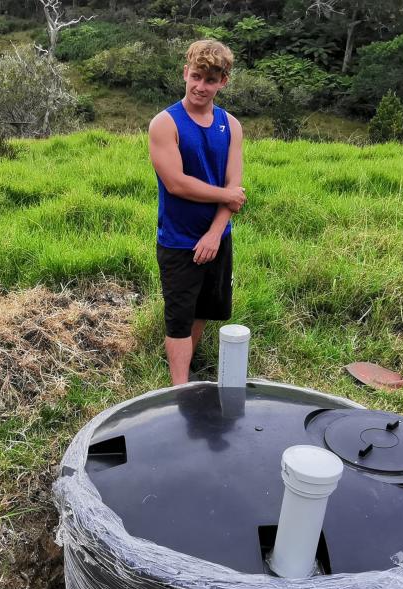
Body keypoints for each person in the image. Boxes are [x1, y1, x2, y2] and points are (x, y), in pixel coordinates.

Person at [148, 39, 245, 385]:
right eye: (196, 77)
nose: (200, 87)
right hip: (178, 239)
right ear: (185, 72)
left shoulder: (231, 125)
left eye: (210, 80)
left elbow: (235, 187)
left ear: (223, 82)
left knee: (204, 308)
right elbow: (176, 183)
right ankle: (179, 390)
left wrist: (216, 232)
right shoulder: (165, 123)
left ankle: (187, 367)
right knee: (178, 317)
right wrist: (227, 196)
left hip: (217, 236)